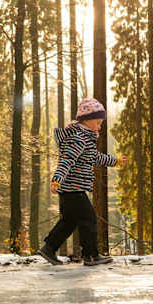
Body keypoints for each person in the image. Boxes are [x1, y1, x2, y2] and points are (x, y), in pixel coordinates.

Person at [37, 98, 127, 266]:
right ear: (87, 120)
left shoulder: (85, 138)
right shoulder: (79, 139)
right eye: (98, 122)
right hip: (73, 189)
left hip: (70, 188)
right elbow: (67, 160)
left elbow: (94, 157)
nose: (100, 127)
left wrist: (115, 161)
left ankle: (49, 248)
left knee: (69, 221)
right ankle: (91, 255)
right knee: (88, 219)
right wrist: (57, 179)